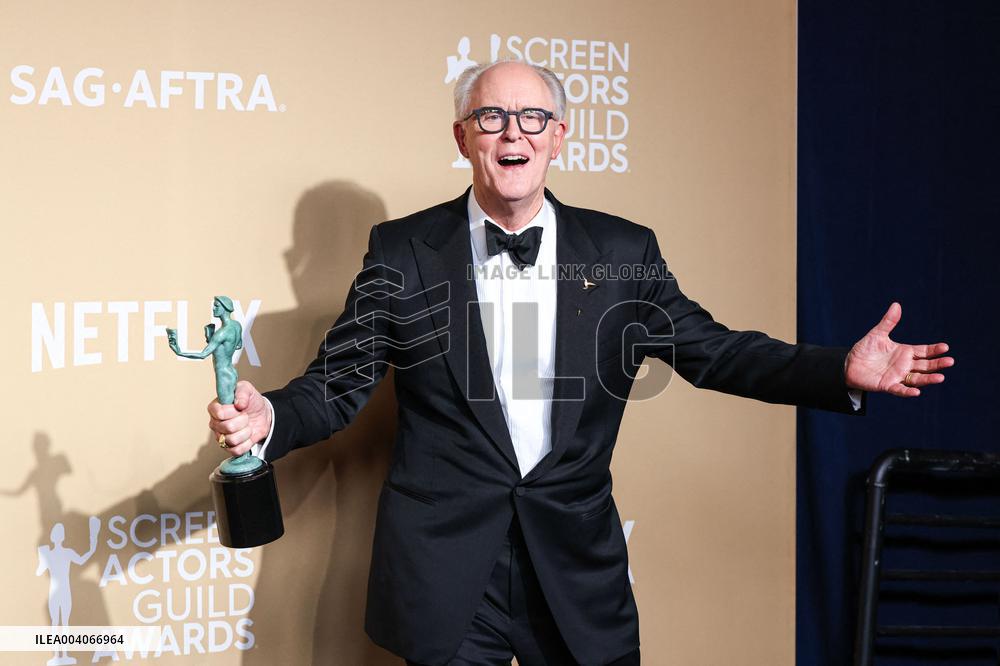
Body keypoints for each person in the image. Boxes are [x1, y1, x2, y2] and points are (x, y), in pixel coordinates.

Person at [206, 61, 953, 665]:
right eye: (491, 117)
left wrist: (837, 369)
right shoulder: (403, 251)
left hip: (572, 565)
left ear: (558, 136)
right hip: (445, 572)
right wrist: (269, 415)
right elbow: (337, 384)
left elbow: (716, 352)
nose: (513, 132)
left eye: (533, 117)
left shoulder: (623, 252)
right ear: (463, 137)